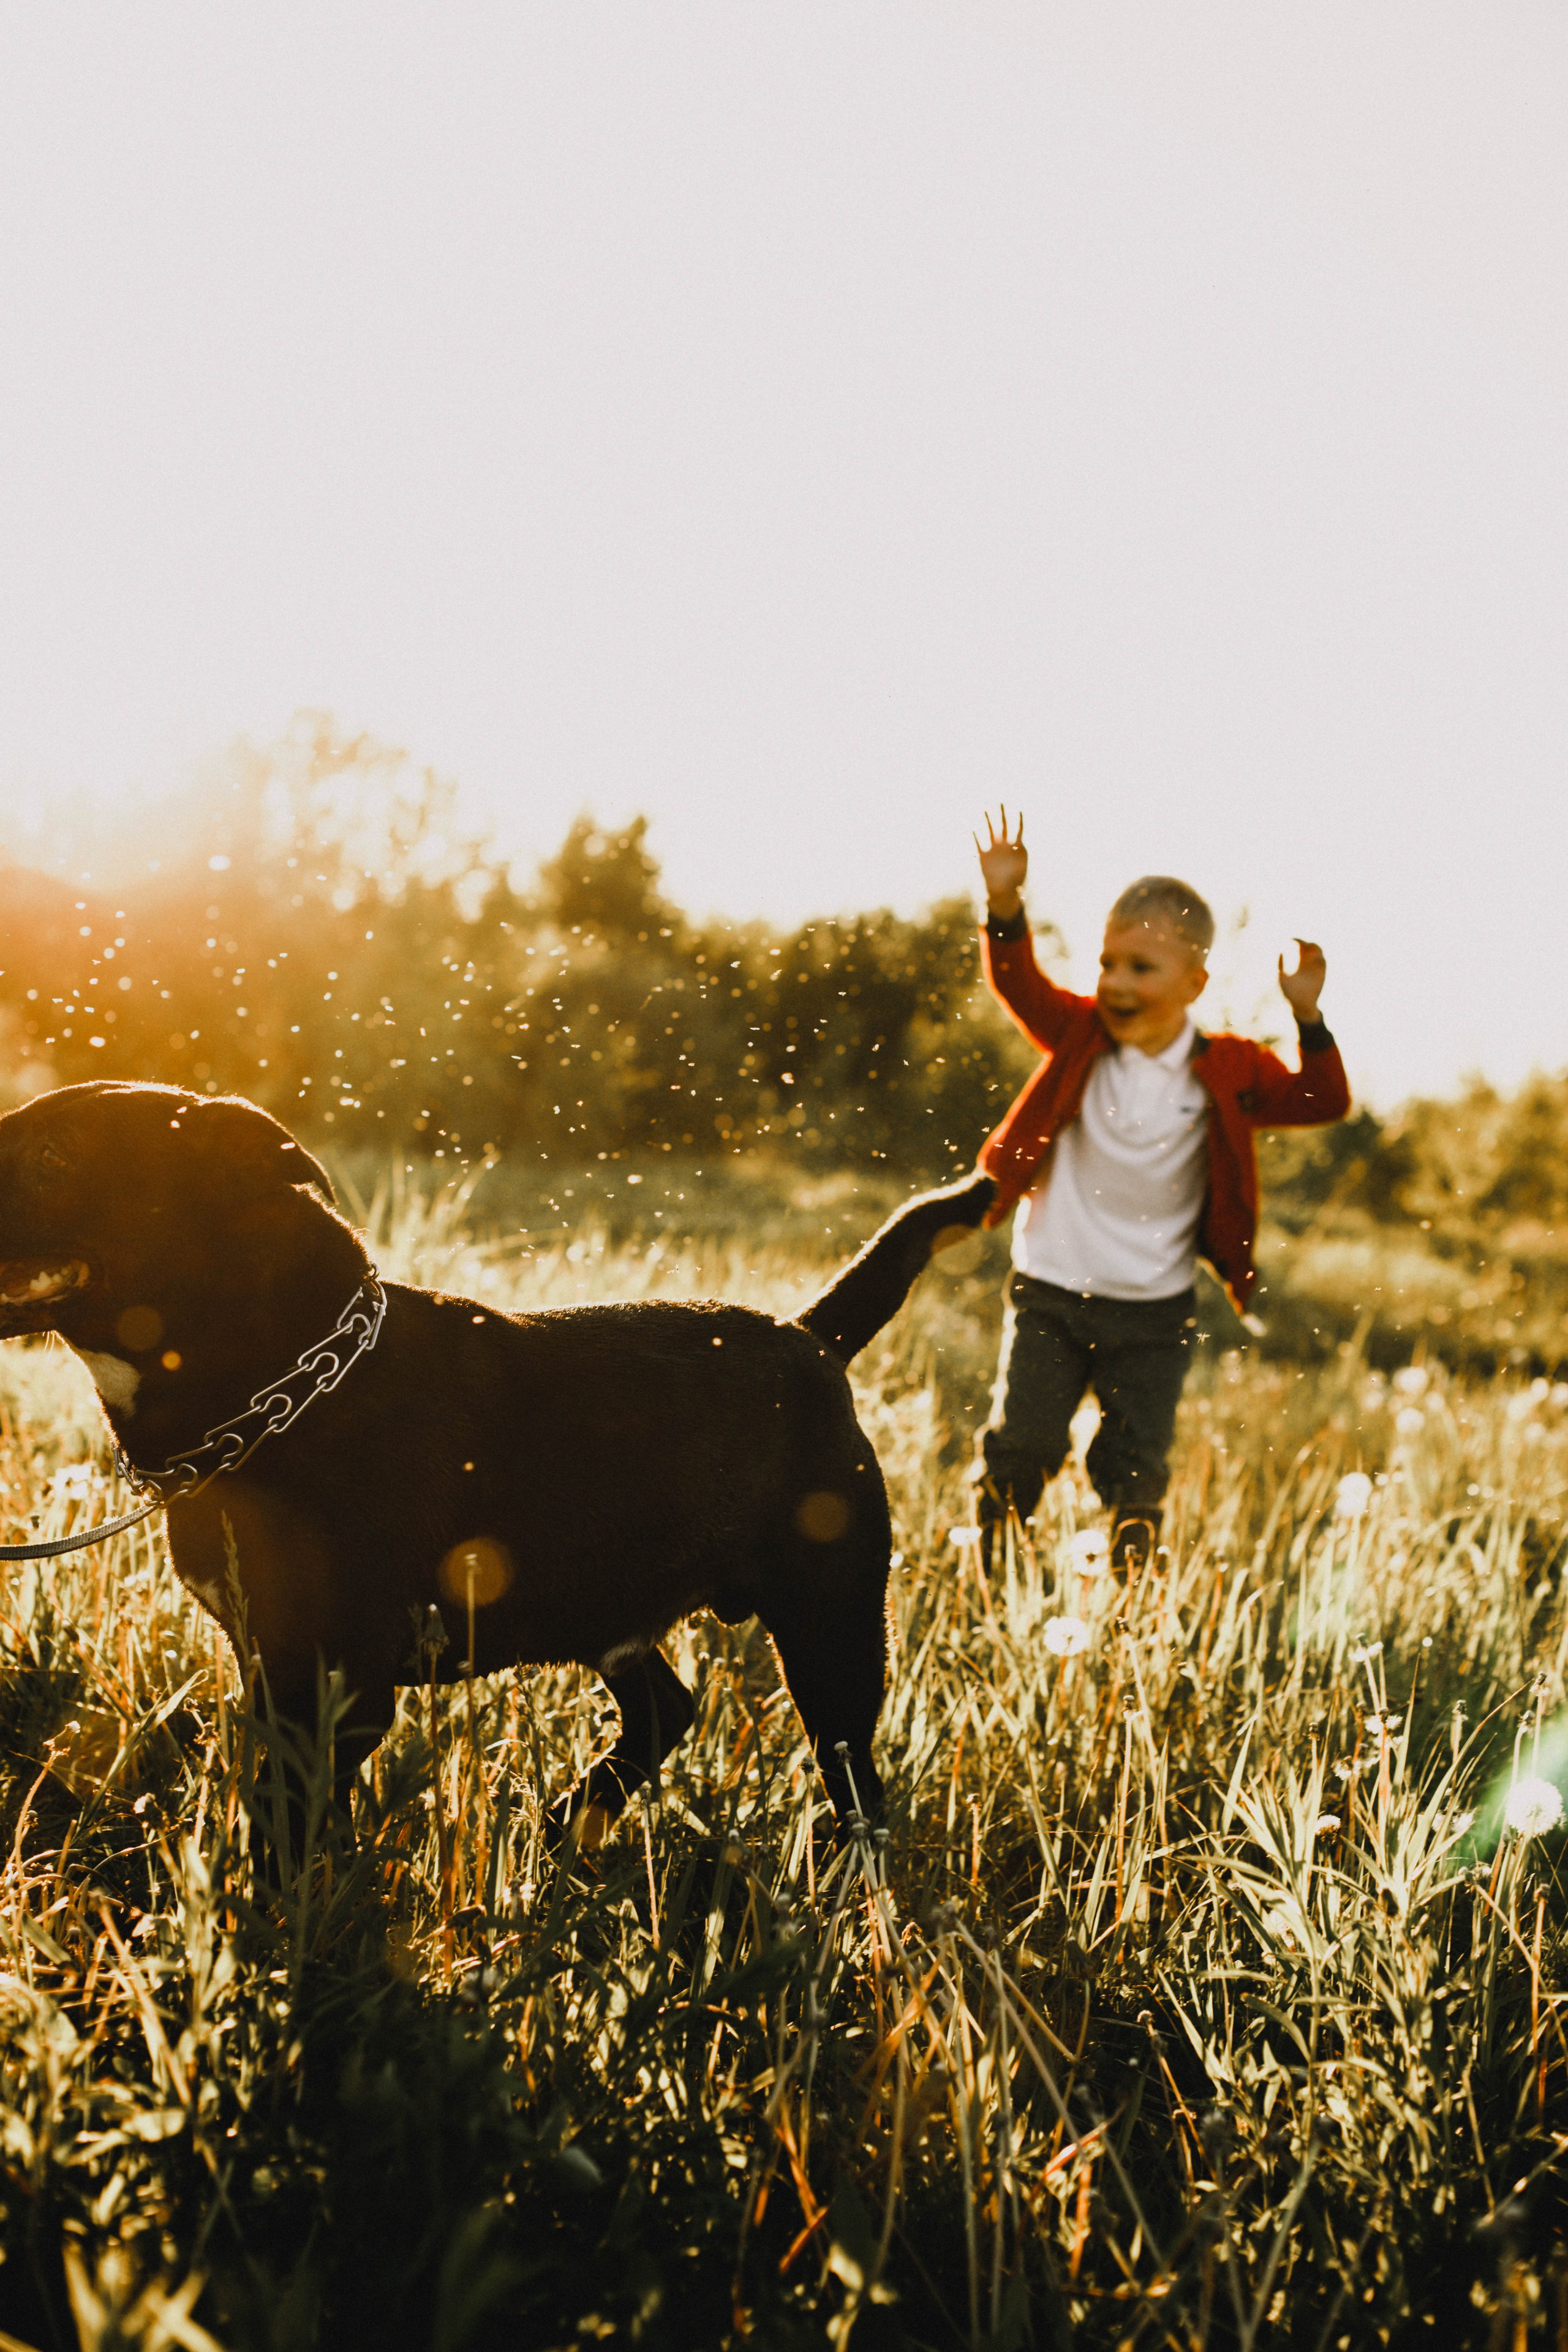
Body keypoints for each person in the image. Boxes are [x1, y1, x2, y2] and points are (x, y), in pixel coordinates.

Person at [969, 809, 1349, 1569]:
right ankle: (995, 1578)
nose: (1114, 982)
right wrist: (1006, 905)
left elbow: (1321, 1103)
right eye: (1108, 963)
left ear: (1193, 982)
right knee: (1025, 1445)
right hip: (1048, 1290)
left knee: (1137, 1464)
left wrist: (1307, 1019)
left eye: (1141, 967)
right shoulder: (1079, 1034)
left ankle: (1132, 1605)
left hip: (1153, 1312)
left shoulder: (1231, 1067)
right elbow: (1018, 983)